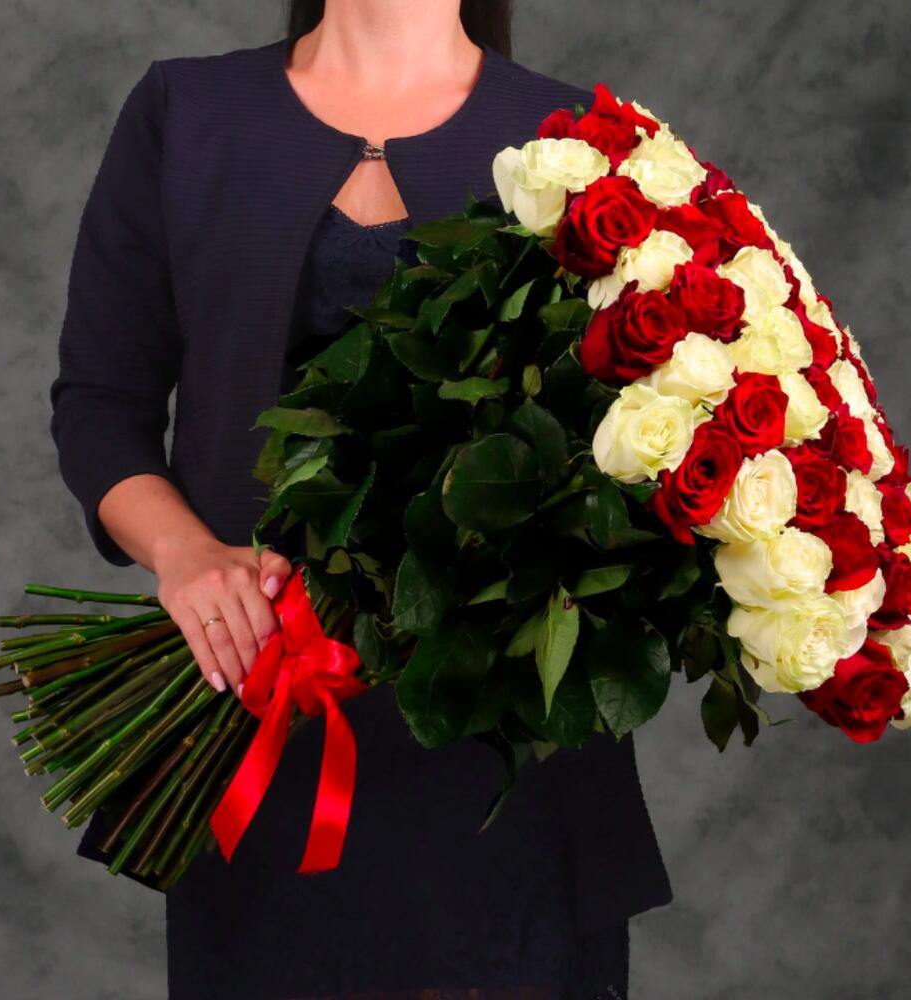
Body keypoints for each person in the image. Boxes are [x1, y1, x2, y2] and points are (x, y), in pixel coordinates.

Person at [49, 2, 673, 996]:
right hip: (262, 725)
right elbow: (99, 403)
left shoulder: (584, 143)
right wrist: (185, 556)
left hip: (509, 761)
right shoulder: (186, 110)